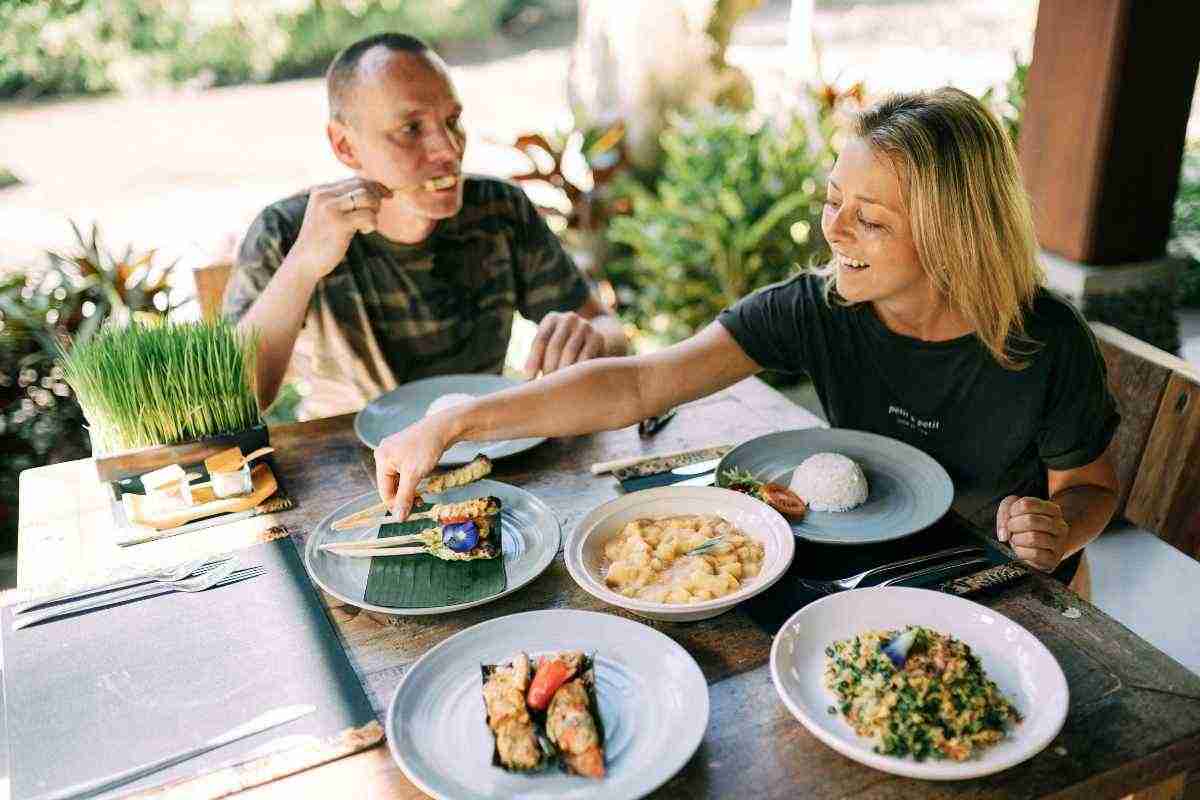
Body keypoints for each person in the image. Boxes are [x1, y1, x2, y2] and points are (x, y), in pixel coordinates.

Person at [372, 88, 1120, 584]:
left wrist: (1057, 528)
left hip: (1000, 582)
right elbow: (640, 383)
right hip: (870, 563)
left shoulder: (1045, 343)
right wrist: (457, 421)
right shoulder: (816, 306)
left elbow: (1091, 491)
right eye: (833, 200)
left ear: (953, 235)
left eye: (872, 219)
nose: (835, 229)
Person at [223, 33, 628, 418]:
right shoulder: (287, 231)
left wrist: (591, 338)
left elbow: (610, 331)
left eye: (452, 121)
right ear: (346, 146)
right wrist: (303, 264)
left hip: (487, 439)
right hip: (353, 461)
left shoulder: (498, 209)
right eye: (411, 129)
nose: (449, 149)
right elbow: (238, 397)